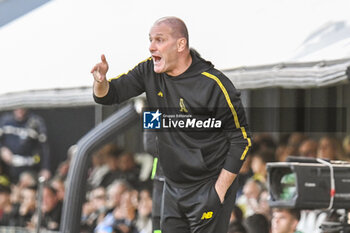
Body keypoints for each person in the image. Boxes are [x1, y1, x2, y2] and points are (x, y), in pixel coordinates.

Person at [91, 16, 251, 233]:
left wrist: (218, 190)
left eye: (159, 40)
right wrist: (100, 82)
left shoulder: (214, 84)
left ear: (180, 44)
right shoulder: (149, 71)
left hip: (208, 186)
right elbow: (110, 95)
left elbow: (241, 140)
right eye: (150, 40)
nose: (151, 47)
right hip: (173, 188)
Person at [0, 108, 51, 183]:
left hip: (29, 168)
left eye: (22, 107)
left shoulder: (35, 121)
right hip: (7, 169)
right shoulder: (5, 120)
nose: (20, 110)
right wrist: (2, 149)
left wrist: (46, 168)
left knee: (26, 186)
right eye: (17, 107)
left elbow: (44, 146)